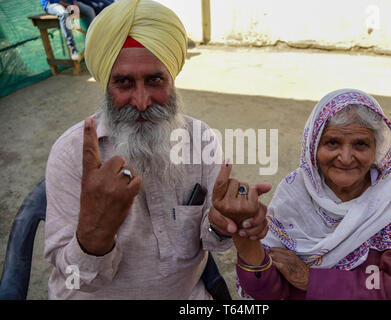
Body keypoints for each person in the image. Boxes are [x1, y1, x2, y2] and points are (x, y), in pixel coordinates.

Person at [44, 0, 266, 299]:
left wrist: (220, 223)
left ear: (172, 79)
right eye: (123, 82)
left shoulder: (200, 140)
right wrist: (94, 232)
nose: (141, 100)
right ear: (105, 84)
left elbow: (211, 239)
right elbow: (73, 280)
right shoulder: (71, 153)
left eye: (154, 80)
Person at [213, 89, 391, 299]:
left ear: (376, 149)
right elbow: (270, 293)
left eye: (360, 144)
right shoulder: (296, 190)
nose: (346, 158)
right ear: (313, 147)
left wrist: (312, 280)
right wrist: (245, 236)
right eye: (332, 143)